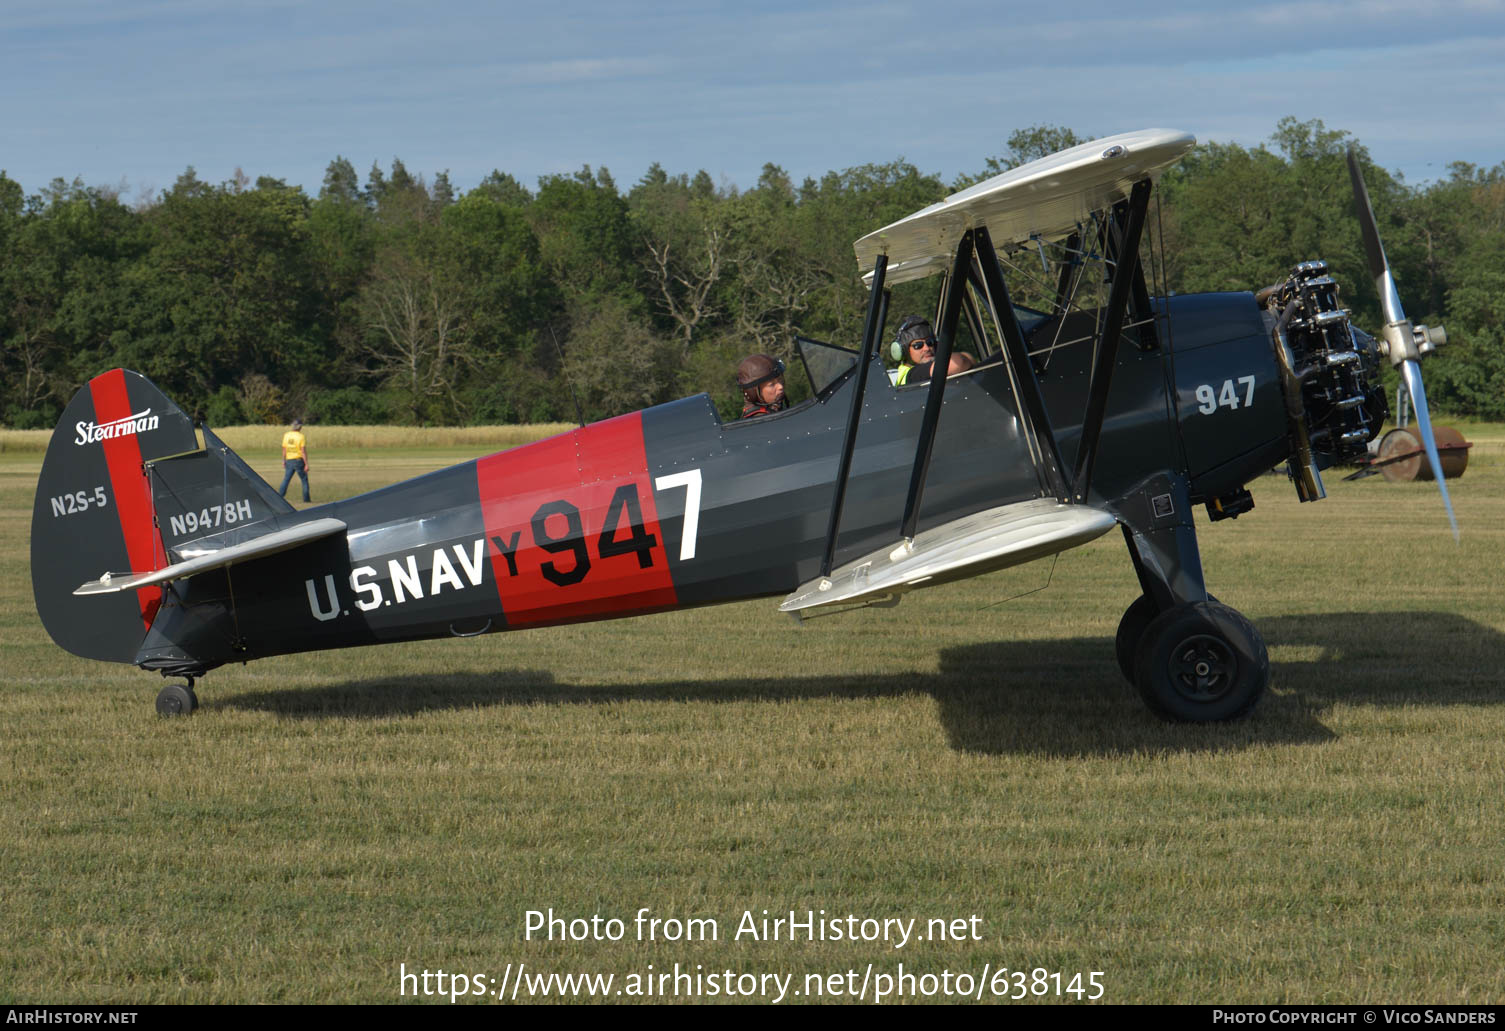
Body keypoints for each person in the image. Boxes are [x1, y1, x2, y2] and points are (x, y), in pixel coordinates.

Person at [890, 315, 975, 385]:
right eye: (918, 345)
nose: (926, 348)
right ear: (903, 351)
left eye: (929, 342)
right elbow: (958, 363)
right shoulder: (912, 374)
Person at [736, 354, 789, 419]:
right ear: (752, 393)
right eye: (771, 385)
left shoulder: (771, 411)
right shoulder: (762, 421)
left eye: (780, 380)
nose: (780, 386)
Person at [278, 418, 311, 502]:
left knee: (286, 480)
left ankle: (279, 497)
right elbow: (303, 451)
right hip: (298, 460)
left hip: (289, 460)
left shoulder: (286, 435)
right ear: (300, 427)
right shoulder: (301, 436)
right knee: (304, 480)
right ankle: (306, 499)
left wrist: (283, 460)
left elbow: (284, 449)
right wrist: (306, 464)